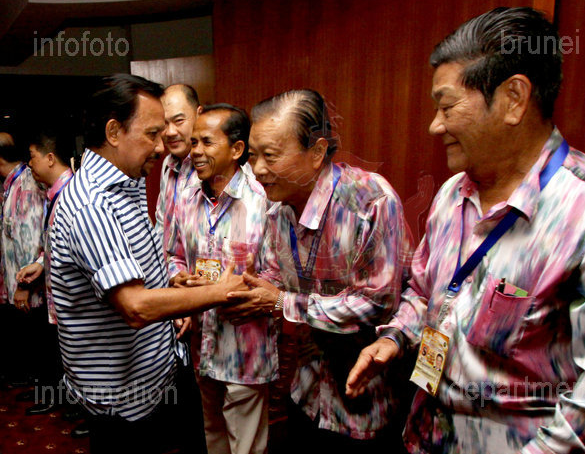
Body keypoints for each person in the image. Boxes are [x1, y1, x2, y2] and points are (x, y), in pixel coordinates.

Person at [346, 7, 585, 454]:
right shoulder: (452, 194)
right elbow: (424, 291)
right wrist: (395, 337)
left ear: (513, 99)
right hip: (424, 435)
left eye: (447, 106)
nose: (435, 125)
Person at [49, 74, 246, 454]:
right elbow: (136, 306)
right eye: (152, 134)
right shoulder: (93, 205)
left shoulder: (128, 181)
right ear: (113, 132)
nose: (161, 145)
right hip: (126, 401)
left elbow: (131, 275)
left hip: (160, 372)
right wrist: (221, 292)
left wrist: (172, 290)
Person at [221, 89, 412, 453]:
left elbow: (376, 304)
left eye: (270, 156)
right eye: (253, 156)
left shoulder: (369, 200)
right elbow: (275, 278)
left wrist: (281, 302)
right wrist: (246, 288)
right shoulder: (277, 209)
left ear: (317, 151)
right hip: (306, 391)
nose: (257, 169)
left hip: (364, 400)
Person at [167, 104, 276, 454]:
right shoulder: (187, 198)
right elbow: (173, 255)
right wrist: (179, 281)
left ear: (237, 149)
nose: (196, 151)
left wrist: (233, 289)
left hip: (244, 347)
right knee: (213, 436)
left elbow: (279, 275)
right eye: (194, 142)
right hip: (202, 342)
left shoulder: (263, 201)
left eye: (207, 142)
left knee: (246, 446)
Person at [12, 130, 74, 417]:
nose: (30, 164)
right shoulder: (55, 194)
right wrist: (40, 263)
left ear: (50, 158)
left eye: (33, 157)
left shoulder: (70, 196)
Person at [0, 132, 45, 387]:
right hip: (19, 284)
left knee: (37, 344)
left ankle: (41, 389)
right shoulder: (11, 185)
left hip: (30, 288)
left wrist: (23, 287)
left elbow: (29, 240)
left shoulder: (26, 186)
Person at [156, 83, 201, 255]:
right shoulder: (168, 164)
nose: (170, 132)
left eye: (179, 121)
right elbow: (162, 223)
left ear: (199, 114)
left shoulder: (217, 165)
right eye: (164, 124)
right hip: (169, 268)